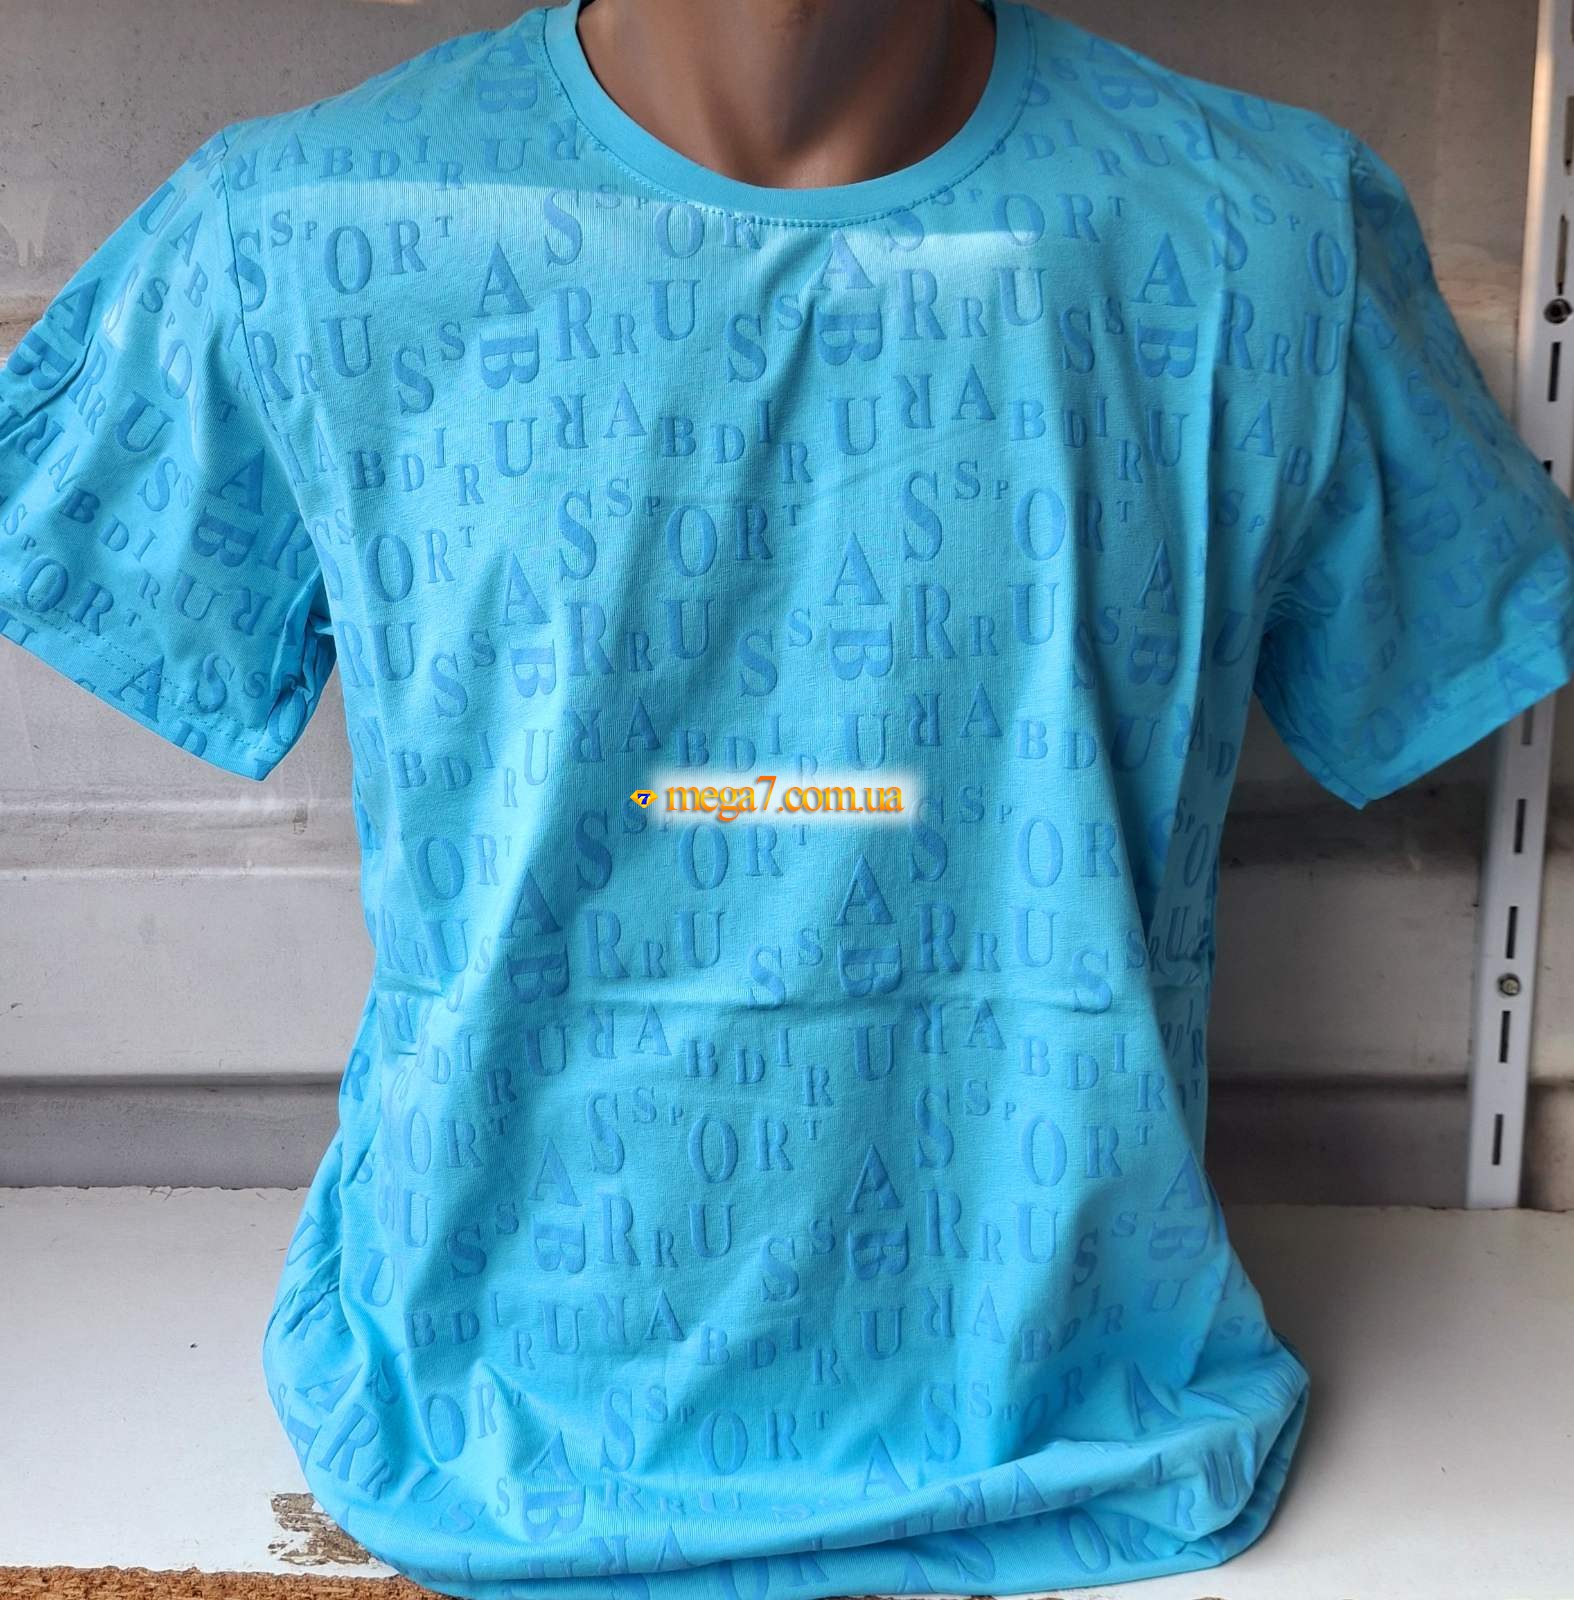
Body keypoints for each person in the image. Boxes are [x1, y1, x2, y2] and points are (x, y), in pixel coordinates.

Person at [3, 0, 1572, 1594]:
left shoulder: (1273, 233)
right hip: (479, 1420)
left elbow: (1423, 655)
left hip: (1078, 1407)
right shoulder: (292, 239)